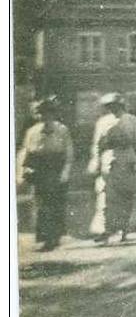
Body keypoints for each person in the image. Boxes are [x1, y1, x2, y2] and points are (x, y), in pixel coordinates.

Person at [16, 97, 74, 251]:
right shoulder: (32, 131)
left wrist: (65, 172)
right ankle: (45, 237)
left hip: (55, 169)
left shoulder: (62, 130)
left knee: (55, 204)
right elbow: (26, 152)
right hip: (39, 170)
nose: (45, 117)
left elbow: (68, 153)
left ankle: (54, 237)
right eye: (42, 114)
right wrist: (22, 171)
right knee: (41, 205)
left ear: (54, 114)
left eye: (49, 113)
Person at [88, 92, 136, 244]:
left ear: (122, 105)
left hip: (128, 160)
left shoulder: (131, 120)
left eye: (116, 106)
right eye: (110, 106)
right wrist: (96, 161)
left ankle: (124, 230)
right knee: (106, 196)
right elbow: (97, 144)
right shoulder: (103, 121)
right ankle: (106, 230)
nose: (113, 109)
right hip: (109, 160)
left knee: (126, 196)